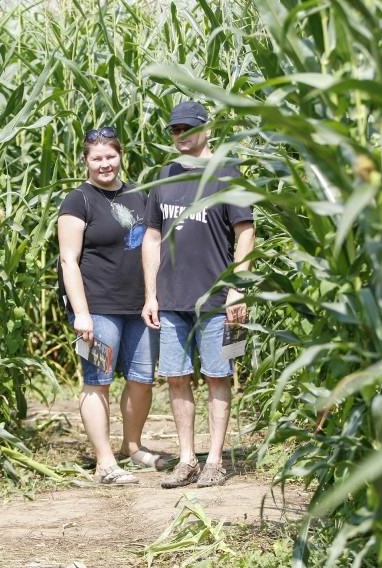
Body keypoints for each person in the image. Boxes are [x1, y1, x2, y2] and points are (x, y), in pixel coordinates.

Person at [141, 101, 255, 488]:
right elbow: (152, 237)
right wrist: (151, 294)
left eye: (189, 128)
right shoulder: (165, 175)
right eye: (175, 130)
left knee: (219, 375)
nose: (182, 136)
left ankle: (217, 461)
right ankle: (188, 459)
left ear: (207, 129)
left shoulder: (226, 172)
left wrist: (240, 289)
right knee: (175, 378)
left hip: (221, 301)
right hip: (172, 301)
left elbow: (245, 234)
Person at [57, 126, 165, 485]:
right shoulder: (78, 200)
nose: (105, 164)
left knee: (141, 381)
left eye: (111, 156)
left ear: (121, 156)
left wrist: (153, 296)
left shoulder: (138, 195)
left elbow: (152, 246)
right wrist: (82, 313)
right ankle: (105, 464)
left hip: (138, 307)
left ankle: (131, 447)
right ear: (86, 161)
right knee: (97, 381)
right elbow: (68, 261)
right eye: (97, 158)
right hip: (97, 309)